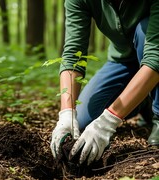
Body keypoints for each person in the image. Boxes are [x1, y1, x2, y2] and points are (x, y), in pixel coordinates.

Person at [50, 0, 159, 166]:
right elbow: (73, 54)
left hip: (151, 50)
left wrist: (109, 120)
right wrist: (66, 114)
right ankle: (143, 101)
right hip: (121, 62)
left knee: (143, 31)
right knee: (83, 121)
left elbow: (154, 57)